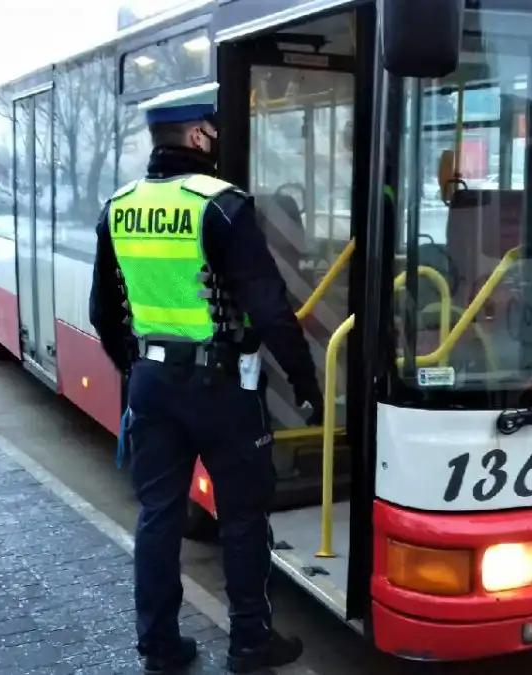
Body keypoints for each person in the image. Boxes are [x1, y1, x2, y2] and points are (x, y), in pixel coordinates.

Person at [88, 82, 321, 674]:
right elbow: (268, 308)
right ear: (197, 136)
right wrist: (305, 381)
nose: (215, 140)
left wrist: (135, 367)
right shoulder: (221, 205)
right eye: (211, 131)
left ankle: (160, 648)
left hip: (151, 383)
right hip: (221, 390)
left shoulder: (119, 207)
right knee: (242, 516)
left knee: (158, 515)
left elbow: (102, 312)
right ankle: (249, 643)